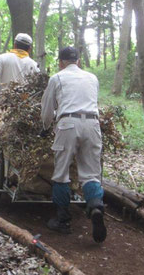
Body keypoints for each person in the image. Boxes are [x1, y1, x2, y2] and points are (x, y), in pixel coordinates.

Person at [40, 46, 107, 243]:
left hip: (68, 124)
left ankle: (63, 220)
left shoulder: (57, 78)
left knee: (61, 173)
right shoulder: (92, 78)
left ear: (61, 62)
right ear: (78, 61)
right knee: (91, 173)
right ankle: (95, 207)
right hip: (92, 123)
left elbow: (47, 109)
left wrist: (45, 127)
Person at [0, 33, 39, 102]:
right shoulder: (34, 65)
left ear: (14, 45)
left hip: (4, 104)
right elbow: (37, 89)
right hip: (24, 106)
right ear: (29, 49)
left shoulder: (3, 58)